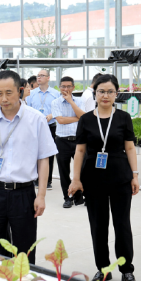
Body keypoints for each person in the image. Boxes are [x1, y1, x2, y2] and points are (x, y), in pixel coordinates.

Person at [0, 70, 57, 264]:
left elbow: (44, 159)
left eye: (9, 92)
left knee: (24, 250)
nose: (3, 98)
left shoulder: (36, 120)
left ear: (19, 91)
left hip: (23, 194)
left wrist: (41, 195)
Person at [68, 74, 139, 281]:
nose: (105, 95)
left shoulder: (124, 117)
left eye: (110, 91)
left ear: (116, 94)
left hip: (120, 179)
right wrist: (76, 178)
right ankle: (103, 267)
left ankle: (127, 270)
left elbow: (130, 148)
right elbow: (80, 150)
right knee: (98, 226)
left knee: (122, 225)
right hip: (93, 180)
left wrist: (135, 175)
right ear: (94, 93)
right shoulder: (87, 119)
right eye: (101, 91)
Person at [52, 76, 86, 208]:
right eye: (63, 86)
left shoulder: (79, 100)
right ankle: (68, 197)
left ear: (73, 87)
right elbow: (60, 120)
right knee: (64, 171)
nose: (65, 89)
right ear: (59, 88)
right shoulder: (55, 102)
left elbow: (83, 117)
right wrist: (76, 117)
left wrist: (71, 101)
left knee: (82, 170)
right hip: (62, 141)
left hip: (79, 141)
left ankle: (79, 196)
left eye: (68, 86)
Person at [26, 69, 61, 190]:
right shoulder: (32, 93)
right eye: (38, 75)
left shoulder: (55, 93)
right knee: (34, 152)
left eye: (42, 75)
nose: (39, 77)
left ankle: (47, 180)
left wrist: (51, 115)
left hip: (50, 126)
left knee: (48, 153)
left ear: (48, 78)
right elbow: (28, 109)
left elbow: (59, 108)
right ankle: (35, 178)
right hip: (34, 126)